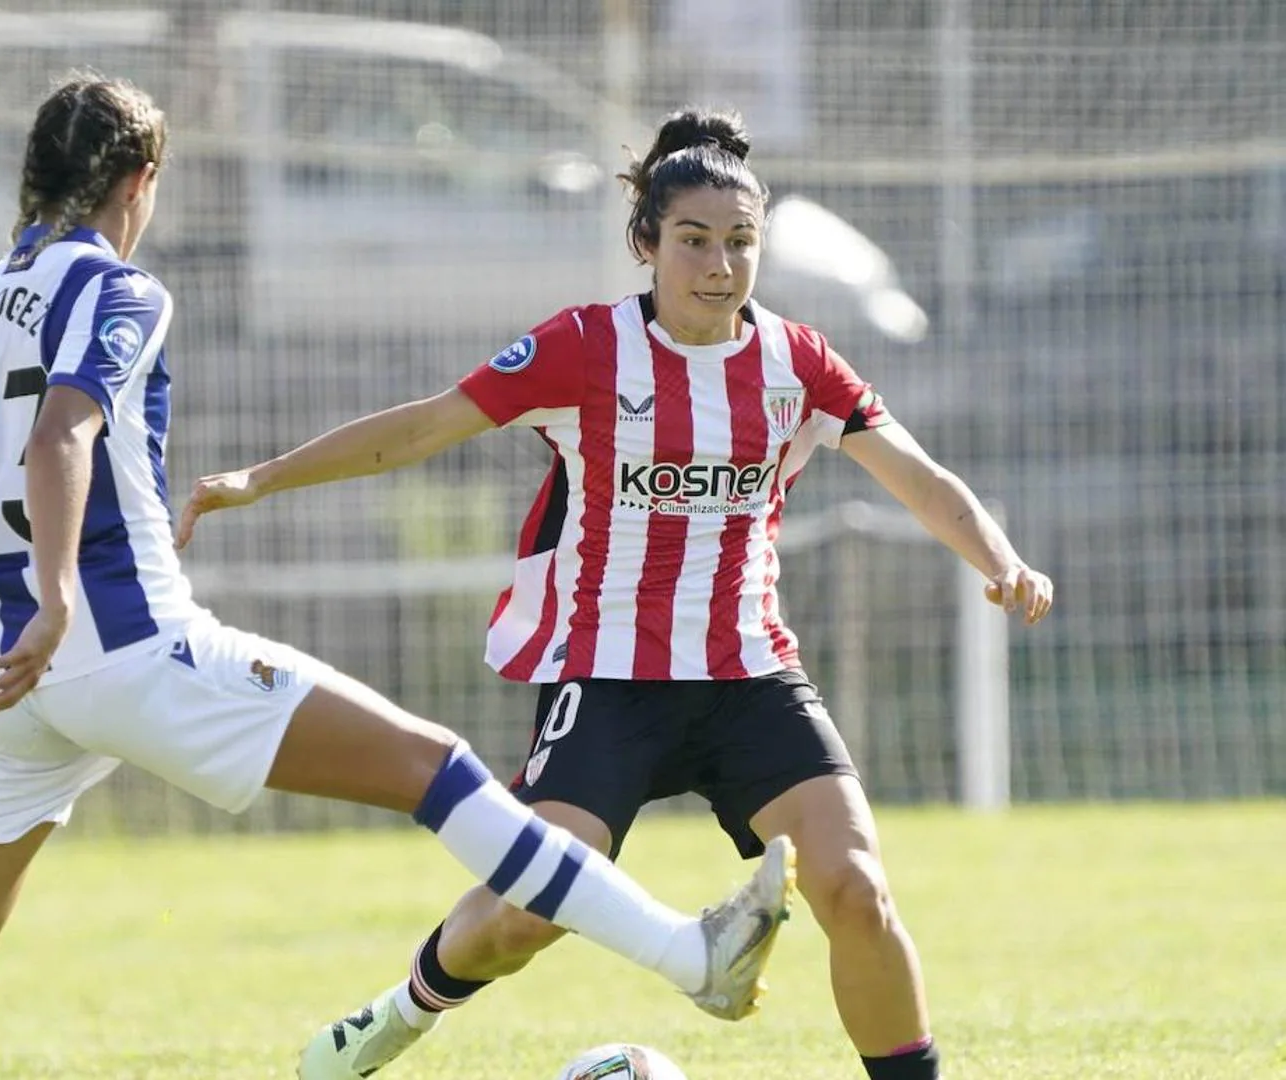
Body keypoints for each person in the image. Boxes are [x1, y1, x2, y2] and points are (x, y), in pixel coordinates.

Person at [0, 80, 795, 1080]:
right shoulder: (118, 288)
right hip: (121, 643)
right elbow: (63, 432)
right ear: (139, 180)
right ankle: (689, 954)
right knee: (435, 769)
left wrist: (10, 620)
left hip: (2, 673)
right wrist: (63, 599)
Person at [176, 108, 1055, 1080]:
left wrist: (1001, 561)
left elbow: (920, 477)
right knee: (527, 917)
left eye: (740, 242)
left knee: (855, 889)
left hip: (750, 677)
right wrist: (261, 479)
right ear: (646, 242)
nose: (719, 265)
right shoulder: (586, 347)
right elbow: (421, 428)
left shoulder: (796, 362)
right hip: (608, 680)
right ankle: (394, 1017)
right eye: (693, 241)